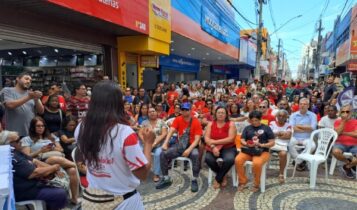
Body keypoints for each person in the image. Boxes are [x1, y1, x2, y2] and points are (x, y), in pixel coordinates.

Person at [75, 81, 155, 209]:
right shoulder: (124, 133)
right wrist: (148, 143)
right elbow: (143, 174)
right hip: (124, 201)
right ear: (117, 103)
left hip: (92, 200)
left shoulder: (81, 128)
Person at [0, 131, 67, 210]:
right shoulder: (13, 157)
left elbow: (34, 161)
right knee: (60, 193)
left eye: (20, 139)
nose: (21, 142)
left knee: (60, 181)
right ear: (9, 144)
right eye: (17, 141)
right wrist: (54, 168)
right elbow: (34, 173)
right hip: (23, 190)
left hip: (32, 184)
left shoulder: (17, 152)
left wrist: (53, 170)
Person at [21, 116, 79, 204]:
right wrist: (40, 151)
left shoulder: (51, 137)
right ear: (33, 127)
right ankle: (77, 165)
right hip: (41, 162)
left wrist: (52, 149)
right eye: (38, 126)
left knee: (72, 170)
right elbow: (27, 156)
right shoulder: (27, 139)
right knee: (53, 159)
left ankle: (74, 198)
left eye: (42, 126)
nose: (41, 128)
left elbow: (61, 150)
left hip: (59, 160)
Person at [156, 102, 203, 192]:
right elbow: (171, 131)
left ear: (190, 110)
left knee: (195, 155)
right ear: (181, 111)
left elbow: (197, 139)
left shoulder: (196, 121)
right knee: (163, 154)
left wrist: (189, 150)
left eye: (187, 110)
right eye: (183, 110)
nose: (185, 112)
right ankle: (166, 178)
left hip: (192, 146)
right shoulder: (178, 119)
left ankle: (194, 179)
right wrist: (165, 143)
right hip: (180, 145)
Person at [235, 110, 275, 192]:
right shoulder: (247, 128)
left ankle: (256, 184)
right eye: (252, 120)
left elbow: (272, 142)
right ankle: (243, 181)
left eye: (256, 120)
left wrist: (261, 145)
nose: (254, 122)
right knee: (238, 160)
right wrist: (246, 143)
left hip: (263, 151)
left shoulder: (266, 128)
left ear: (260, 119)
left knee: (257, 163)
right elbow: (242, 139)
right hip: (248, 150)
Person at [1, 71, 44, 136]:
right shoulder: (7, 90)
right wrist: (29, 97)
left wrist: (36, 99)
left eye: (30, 80)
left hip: (30, 132)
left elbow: (41, 111)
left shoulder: (31, 93)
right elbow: (10, 105)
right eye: (26, 79)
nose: (29, 81)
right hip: (13, 133)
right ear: (18, 79)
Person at [204, 107, 237, 189]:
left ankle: (218, 178)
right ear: (215, 114)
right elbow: (206, 138)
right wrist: (213, 147)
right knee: (208, 159)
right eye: (219, 112)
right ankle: (222, 175)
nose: (220, 114)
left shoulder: (231, 124)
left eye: (223, 112)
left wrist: (214, 142)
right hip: (213, 147)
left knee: (229, 159)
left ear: (226, 114)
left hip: (228, 147)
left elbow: (230, 139)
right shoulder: (210, 124)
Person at [139, 107, 168, 182]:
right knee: (139, 151)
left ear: (157, 113)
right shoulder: (144, 123)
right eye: (150, 112)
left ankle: (156, 174)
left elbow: (164, 134)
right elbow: (140, 133)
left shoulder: (162, 122)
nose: (152, 113)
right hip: (146, 143)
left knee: (158, 153)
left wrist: (154, 144)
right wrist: (145, 143)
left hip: (158, 144)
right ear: (148, 114)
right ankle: (141, 172)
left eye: (153, 111)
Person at [288, 98, 317, 171]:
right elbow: (292, 128)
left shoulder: (313, 115)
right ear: (298, 105)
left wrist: (298, 126)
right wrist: (306, 128)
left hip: (307, 138)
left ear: (308, 106)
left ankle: (298, 160)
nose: (302, 106)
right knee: (288, 144)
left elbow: (312, 128)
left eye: (305, 104)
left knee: (313, 146)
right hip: (295, 136)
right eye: (301, 104)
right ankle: (301, 161)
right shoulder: (293, 115)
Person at [332, 104, 357, 179]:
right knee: (335, 152)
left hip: (354, 144)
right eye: (343, 111)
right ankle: (349, 162)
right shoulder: (337, 121)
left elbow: (356, 134)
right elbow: (337, 133)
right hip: (340, 143)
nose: (345, 113)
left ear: (351, 112)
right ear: (340, 113)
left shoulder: (356, 121)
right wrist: (344, 121)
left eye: (347, 111)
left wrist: (344, 133)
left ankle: (347, 167)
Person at [269, 110, 292, 184]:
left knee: (283, 154)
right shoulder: (272, 123)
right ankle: (262, 170)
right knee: (264, 151)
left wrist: (276, 134)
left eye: (283, 116)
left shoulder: (288, 125)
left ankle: (281, 173)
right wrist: (282, 134)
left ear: (286, 117)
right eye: (279, 116)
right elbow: (270, 135)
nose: (281, 117)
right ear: (277, 116)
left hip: (282, 145)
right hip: (272, 143)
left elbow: (288, 136)